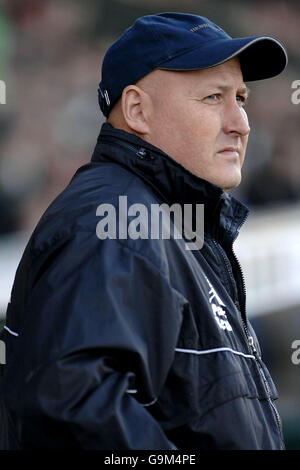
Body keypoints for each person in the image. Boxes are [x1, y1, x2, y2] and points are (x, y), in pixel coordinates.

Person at [0, 12, 288, 450]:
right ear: (137, 110)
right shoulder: (116, 222)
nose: (241, 124)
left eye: (242, 99)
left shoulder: (165, 218)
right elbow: (74, 411)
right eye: (214, 98)